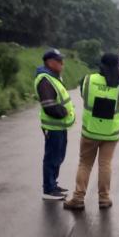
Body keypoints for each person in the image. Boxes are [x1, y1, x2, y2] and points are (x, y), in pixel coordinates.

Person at [64, 53, 119, 211]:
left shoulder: (88, 80)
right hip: (111, 133)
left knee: (85, 164)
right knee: (105, 165)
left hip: (90, 131)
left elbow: (83, 96)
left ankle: (78, 198)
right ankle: (104, 198)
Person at [34, 49, 76, 201]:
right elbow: (49, 105)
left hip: (59, 126)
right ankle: (49, 189)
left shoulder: (53, 77)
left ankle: (53, 183)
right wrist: (63, 112)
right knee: (52, 157)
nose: (62, 64)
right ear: (50, 62)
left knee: (58, 156)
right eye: (59, 61)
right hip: (53, 126)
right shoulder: (45, 80)